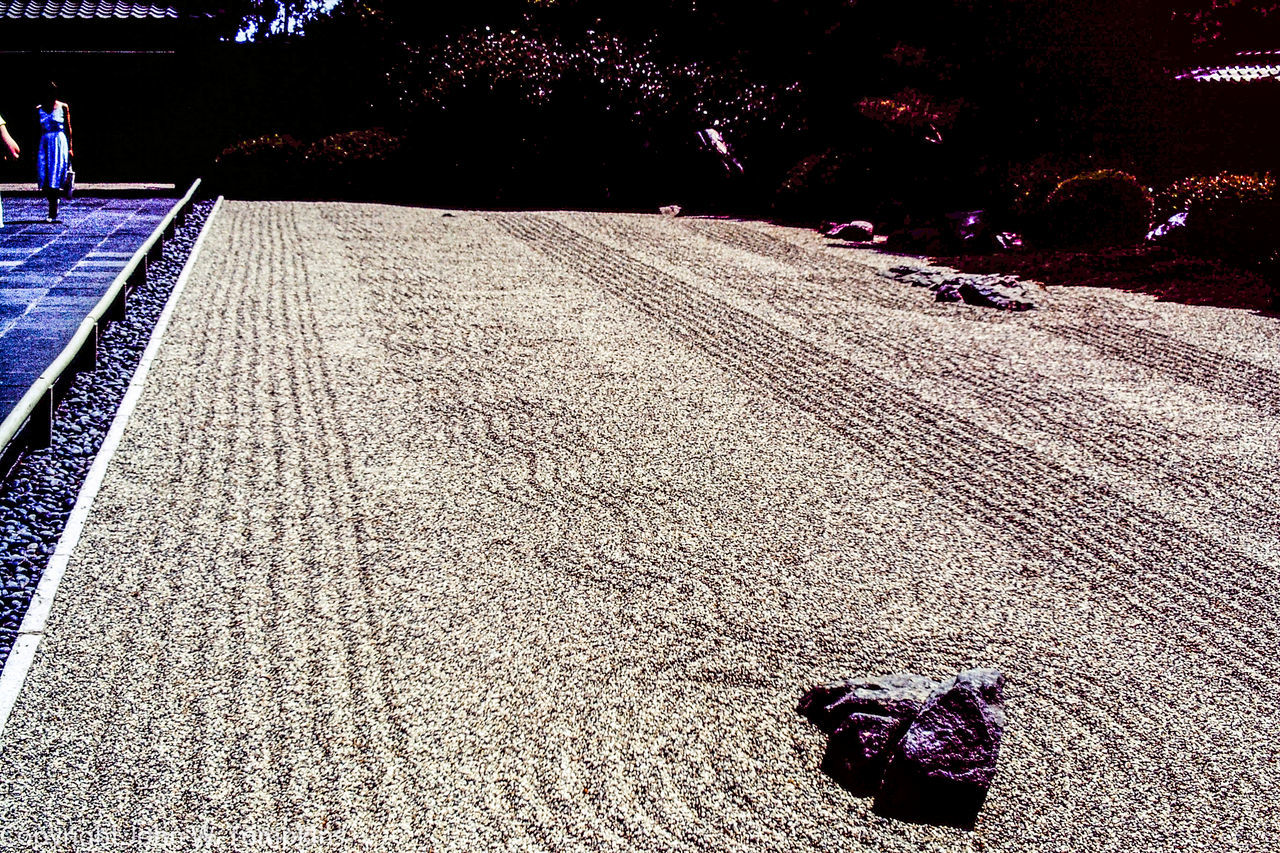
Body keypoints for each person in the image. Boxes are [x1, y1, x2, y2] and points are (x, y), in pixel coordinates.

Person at [35, 81, 72, 223]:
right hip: (45, 143)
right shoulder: (39, 109)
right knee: (44, 174)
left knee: (56, 173)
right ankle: (53, 200)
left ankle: (53, 207)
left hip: (59, 141)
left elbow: (68, 128)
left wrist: (70, 147)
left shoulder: (63, 107)